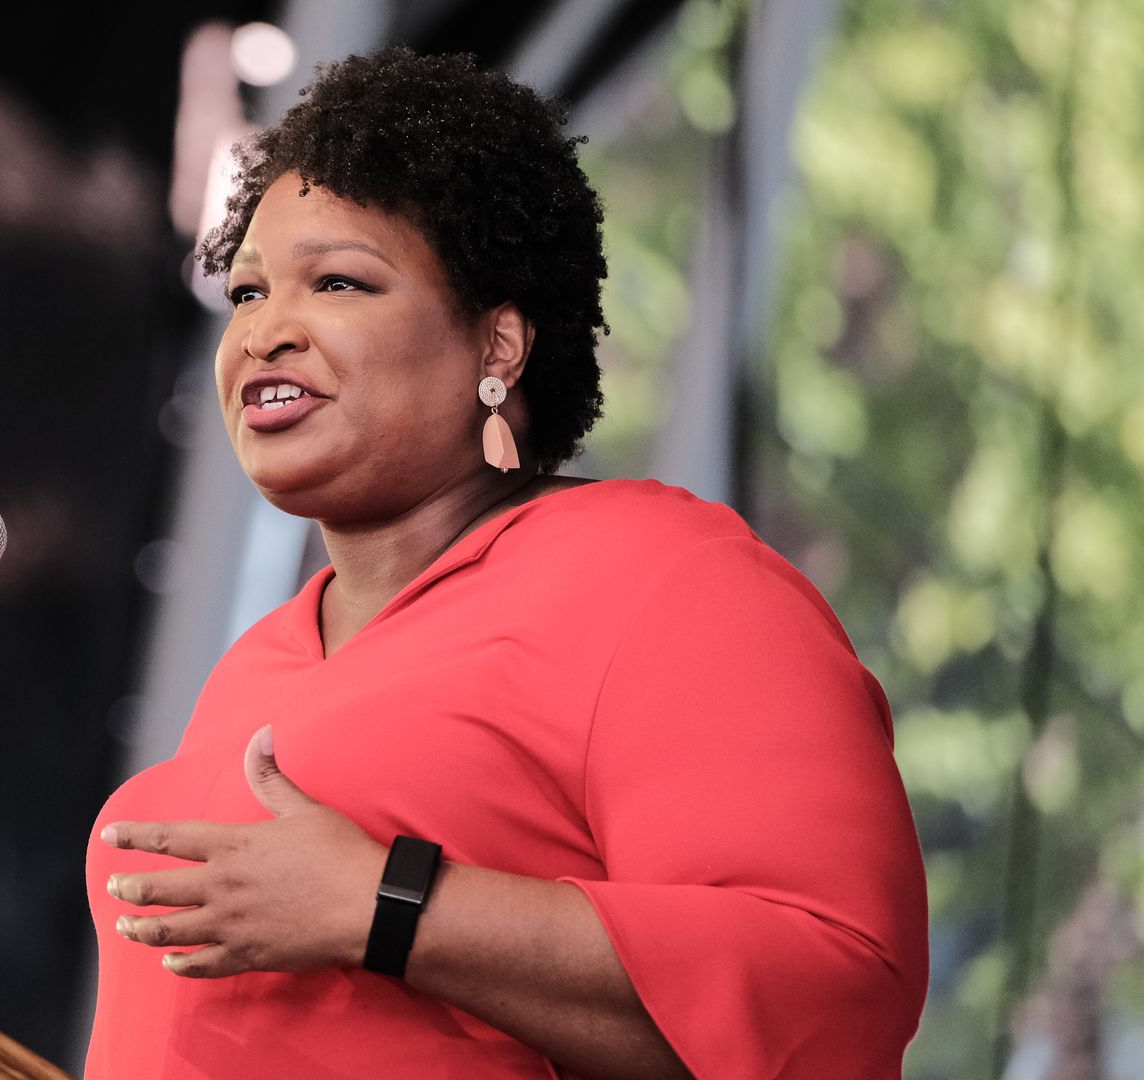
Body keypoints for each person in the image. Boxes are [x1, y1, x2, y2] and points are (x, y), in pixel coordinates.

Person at [85, 47, 927, 1079]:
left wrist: (383, 905)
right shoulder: (261, 662)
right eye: (250, 292)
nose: (266, 333)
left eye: (339, 281)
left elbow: (834, 991)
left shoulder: (662, 579)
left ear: (498, 349)